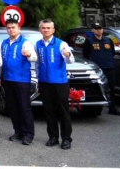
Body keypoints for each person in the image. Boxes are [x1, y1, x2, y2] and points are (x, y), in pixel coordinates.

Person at [0, 19, 37, 145]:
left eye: (13, 27)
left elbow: (34, 57)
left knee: (24, 107)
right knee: (12, 108)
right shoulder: (4, 43)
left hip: (21, 80)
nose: (11, 30)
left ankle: (28, 134)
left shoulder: (25, 42)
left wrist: (28, 54)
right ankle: (18, 131)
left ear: (19, 28)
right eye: (8, 28)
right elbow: (0, 62)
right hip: (8, 79)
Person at [36, 19, 74, 150]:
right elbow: (37, 63)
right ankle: (53, 136)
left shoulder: (61, 44)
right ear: (40, 30)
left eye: (48, 28)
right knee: (48, 111)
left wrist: (68, 55)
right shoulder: (38, 44)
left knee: (63, 111)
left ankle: (66, 139)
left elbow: (70, 60)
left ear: (53, 30)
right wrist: (38, 80)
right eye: (43, 28)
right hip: (44, 82)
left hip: (59, 83)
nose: (46, 30)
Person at [82, 22, 120, 116]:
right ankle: (96, 108)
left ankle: (112, 108)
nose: (99, 30)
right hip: (97, 69)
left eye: (100, 28)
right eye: (96, 28)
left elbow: (112, 53)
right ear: (92, 30)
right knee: (96, 88)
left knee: (112, 88)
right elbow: (85, 55)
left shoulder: (108, 40)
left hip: (109, 67)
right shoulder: (89, 41)